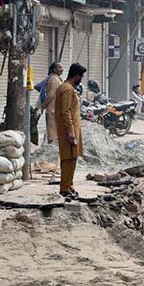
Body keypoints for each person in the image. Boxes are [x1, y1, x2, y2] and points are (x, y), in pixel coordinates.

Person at [55, 63, 86, 198]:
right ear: (76, 76)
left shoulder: (67, 88)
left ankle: (69, 185)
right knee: (68, 159)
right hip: (69, 130)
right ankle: (65, 188)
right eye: (81, 76)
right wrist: (71, 132)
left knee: (72, 158)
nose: (82, 79)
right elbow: (66, 111)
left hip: (72, 129)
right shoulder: (67, 89)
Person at [41, 63, 63, 143]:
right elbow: (50, 94)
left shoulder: (57, 78)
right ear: (54, 69)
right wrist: (43, 105)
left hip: (56, 109)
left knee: (55, 131)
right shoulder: (53, 79)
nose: (61, 69)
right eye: (59, 67)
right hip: (52, 109)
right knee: (52, 132)